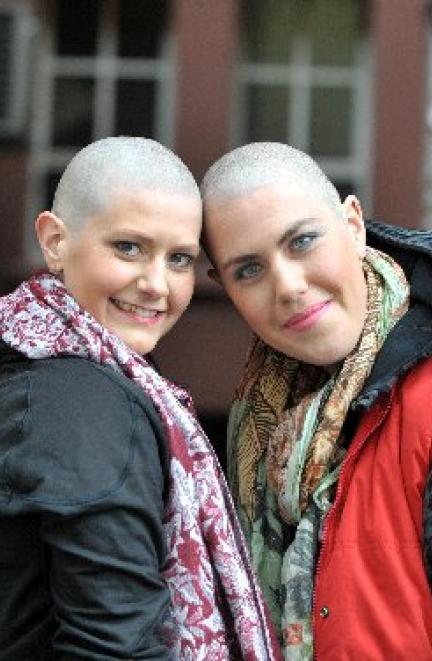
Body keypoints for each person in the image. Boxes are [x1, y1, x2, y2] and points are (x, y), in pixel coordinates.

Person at [200, 141, 432, 660]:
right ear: (224, 288)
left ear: (353, 224)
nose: (288, 286)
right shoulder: (262, 419)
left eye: (303, 241)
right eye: (248, 270)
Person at [0, 137, 281, 660]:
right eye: (128, 247)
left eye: (179, 259)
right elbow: (113, 646)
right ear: (54, 240)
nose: (156, 284)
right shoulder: (83, 402)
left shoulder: (31, 356)